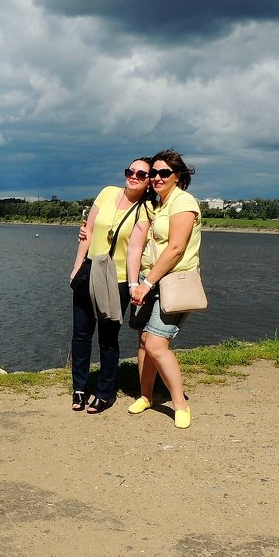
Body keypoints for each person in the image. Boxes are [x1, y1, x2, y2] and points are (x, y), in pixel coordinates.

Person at [69, 159, 154, 413]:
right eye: (130, 171)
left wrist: (131, 284)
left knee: (108, 339)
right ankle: (80, 388)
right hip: (89, 271)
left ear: (149, 180)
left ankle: (105, 392)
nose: (134, 176)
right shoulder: (107, 193)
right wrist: (76, 266)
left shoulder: (145, 209)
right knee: (81, 334)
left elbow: (135, 251)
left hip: (116, 279)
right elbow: (89, 230)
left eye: (141, 174)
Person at [125, 149, 201, 429]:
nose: (157, 177)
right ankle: (146, 395)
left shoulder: (183, 202)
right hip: (151, 280)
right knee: (144, 342)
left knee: (157, 343)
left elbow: (176, 248)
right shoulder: (157, 203)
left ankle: (180, 404)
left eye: (164, 173)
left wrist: (146, 284)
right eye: (153, 173)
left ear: (177, 176)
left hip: (173, 282)